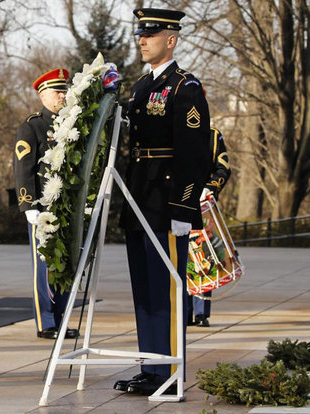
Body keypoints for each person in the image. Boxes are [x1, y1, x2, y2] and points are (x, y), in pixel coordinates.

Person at [115, 8, 210, 395]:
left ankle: (170, 373)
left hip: (167, 202)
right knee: (145, 288)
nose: (142, 40)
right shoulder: (140, 87)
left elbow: (194, 154)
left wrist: (185, 208)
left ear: (170, 39)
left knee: (168, 289)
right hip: (139, 196)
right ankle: (152, 367)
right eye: (140, 34)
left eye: (150, 34)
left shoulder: (184, 87)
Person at [13, 68, 79, 340]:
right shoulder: (32, 126)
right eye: (57, 91)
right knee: (45, 266)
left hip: (67, 207)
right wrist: (27, 204)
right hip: (43, 208)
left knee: (66, 264)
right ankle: (46, 320)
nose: (62, 95)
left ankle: (62, 318)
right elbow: (23, 167)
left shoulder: (72, 123)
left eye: (64, 90)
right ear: (42, 95)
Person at [187, 126, 231, 327]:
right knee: (181, 259)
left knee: (203, 257)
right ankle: (185, 312)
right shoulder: (173, 129)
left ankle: (201, 312)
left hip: (202, 205)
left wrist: (209, 189)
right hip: (175, 202)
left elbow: (223, 168)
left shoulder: (212, 135)